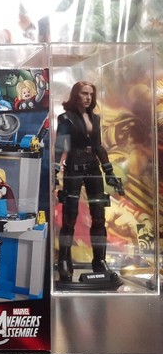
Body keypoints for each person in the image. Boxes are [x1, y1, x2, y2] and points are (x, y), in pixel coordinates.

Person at [54, 81, 121, 282]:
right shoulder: (66, 118)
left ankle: (99, 260)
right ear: (76, 94)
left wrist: (108, 171)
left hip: (93, 168)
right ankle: (64, 260)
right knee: (70, 217)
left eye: (91, 94)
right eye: (84, 93)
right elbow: (60, 147)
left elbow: (98, 146)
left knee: (99, 216)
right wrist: (54, 170)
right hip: (74, 168)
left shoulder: (95, 118)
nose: (88, 97)